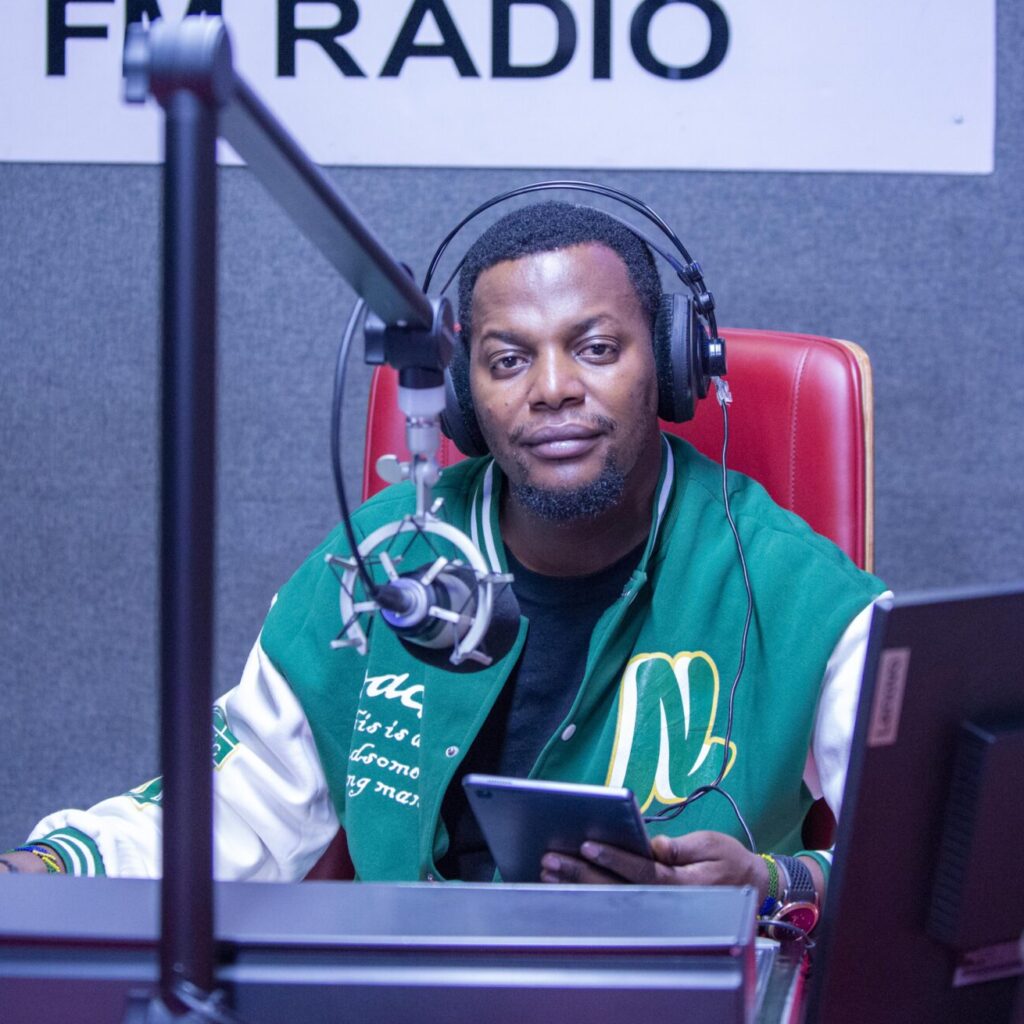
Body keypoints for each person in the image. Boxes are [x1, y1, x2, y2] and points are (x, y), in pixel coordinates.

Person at [1, 202, 885, 926]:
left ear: (673, 364)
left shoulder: (800, 591)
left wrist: (777, 881)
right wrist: (47, 868)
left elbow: (924, 866)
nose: (551, 388)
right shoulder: (383, 564)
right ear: (463, 396)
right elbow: (239, 803)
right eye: (508, 359)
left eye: (596, 348)